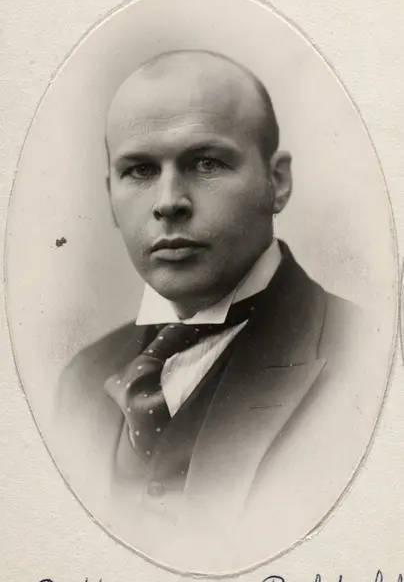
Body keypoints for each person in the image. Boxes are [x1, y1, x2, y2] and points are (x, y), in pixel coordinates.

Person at [58, 50, 370, 570]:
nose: (169, 201)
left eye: (206, 163)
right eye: (139, 170)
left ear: (278, 182)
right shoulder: (78, 380)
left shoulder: (368, 360)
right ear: (109, 193)